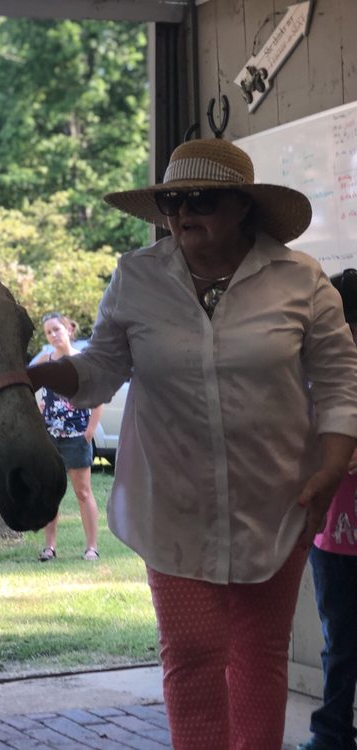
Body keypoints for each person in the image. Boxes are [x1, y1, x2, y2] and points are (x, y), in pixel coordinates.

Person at [26, 137, 357, 750]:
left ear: (242, 207)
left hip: (275, 500)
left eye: (201, 198)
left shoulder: (299, 278)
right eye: (174, 200)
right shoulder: (137, 276)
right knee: (192, 653)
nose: (183, 212)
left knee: (260, 653)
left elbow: (340, 379)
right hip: (171, 502)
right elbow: (101, 367)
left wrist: (334, 463)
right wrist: (36, 375)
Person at [298, 269, 357, 750]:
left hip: (334, 536)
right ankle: (331, 733)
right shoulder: (315, 379)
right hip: (332, 538)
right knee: (339, 642)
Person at [32, 311, 103, 562]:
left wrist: (90, 431)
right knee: (51, 493)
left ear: (69, 330)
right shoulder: (45, 360)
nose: (53, 335)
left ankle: (91, 547)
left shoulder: (83, 361)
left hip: (76, 436)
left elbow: (98, 396)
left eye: (57, 330)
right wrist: (37, 408)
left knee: (83, 492)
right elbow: (24, 383)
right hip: (50, 437)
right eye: (49, 332)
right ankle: (49, 548)